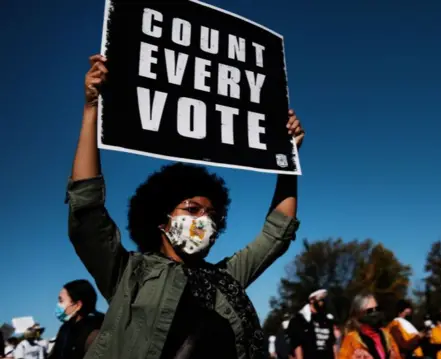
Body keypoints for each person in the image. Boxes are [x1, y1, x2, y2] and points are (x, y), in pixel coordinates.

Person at [66, 54, 304, 359]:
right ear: (161, 220)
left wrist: (289, 159)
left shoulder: (227, 278)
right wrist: (91, 109)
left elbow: (277, 233)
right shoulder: (128, 273)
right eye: (191, 209)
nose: (204, 221)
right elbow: (87, 209)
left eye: (212, 215)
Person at [48, 280, 105, 359]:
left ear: (78, 305)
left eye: (61, 301)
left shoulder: (96, 332)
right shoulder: (65, 329)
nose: (58, 305)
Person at [338, 293, 401, 359]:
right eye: (370, 311)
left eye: (376, 309)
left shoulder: (386, 335)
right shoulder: (351, 339)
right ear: (359, 313)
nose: (375, 313)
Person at [288, 289, 337, 359]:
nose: (322, 302)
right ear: (311, 300)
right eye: (320, 299)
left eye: (324, 299)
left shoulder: (327, 320)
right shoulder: (299, 320)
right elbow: (297, 346)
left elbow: (333, 344)